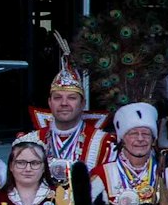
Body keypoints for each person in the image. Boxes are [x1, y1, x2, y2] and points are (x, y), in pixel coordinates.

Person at [31, 35, 113, 181]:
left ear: (83, 103)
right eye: (57, 98)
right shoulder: (30, 141)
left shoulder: (104, 144)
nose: (64, 103)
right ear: (49, 102)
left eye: (71, 98)